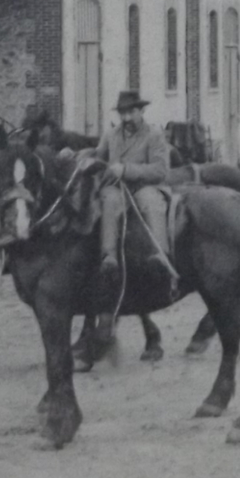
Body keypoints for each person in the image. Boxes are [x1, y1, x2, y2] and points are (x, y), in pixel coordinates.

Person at [88, 91, 172, 345]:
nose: (126, 118)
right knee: (108, 199)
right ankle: (109, 256)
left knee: (150, 201)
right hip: (118, 190)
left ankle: (161, 254)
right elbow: (98, 155)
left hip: (144, 186)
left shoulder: (154, 135)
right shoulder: (111, 135)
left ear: (140, 111)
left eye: (130, 112)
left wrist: (126, 169)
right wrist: (80, 156)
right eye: (122, 113)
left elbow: (160, 170)